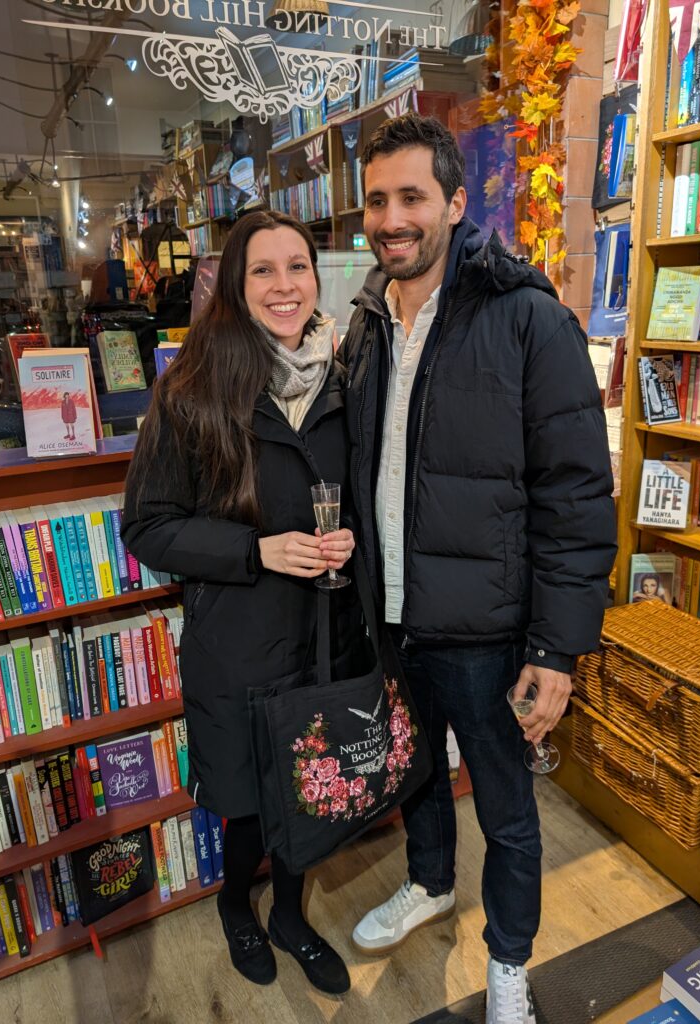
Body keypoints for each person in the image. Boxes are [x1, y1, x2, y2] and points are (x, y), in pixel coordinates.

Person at [337, 113, 617, 1024]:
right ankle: (427, 883)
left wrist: (557, 650)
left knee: (504, 810)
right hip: (396, 619)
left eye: (411, 196)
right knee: (413, 774)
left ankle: (507, 962)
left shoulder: (529, 319)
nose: (391, 217)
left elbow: (575, 497)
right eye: (377, 199)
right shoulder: (368, 322)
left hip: (490, 631)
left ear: (455, 204)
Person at [121, 210, 358, 995]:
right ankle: (234, 905)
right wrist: (252, 551)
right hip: (239, 640)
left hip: (325, 636)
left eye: (298, 266)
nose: (285, 286)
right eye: (264, 270)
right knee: (250, 803)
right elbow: (148, 527)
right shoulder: (192, 386)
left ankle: (289, 916)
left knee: (309, 793)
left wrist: (347, 538)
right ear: (233, 283)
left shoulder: (345, 376)